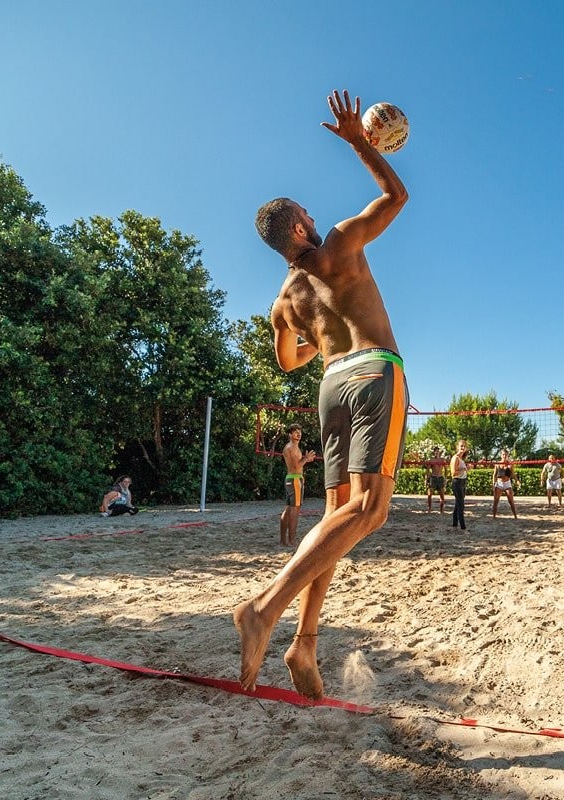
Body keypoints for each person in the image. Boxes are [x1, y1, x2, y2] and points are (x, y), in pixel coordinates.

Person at [234, 89, 409, 701]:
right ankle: (265, 607)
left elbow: (290, 361)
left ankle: (305, 641)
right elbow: (397, 197)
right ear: (302, 227)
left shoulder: (282, 302)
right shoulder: (336, 244)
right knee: (370, 512)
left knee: (338, 514)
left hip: (330, 385)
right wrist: (361, 144)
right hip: (371, 372)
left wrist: (315, 338)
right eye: (309, 210)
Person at [280, 424, 318, 547]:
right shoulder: (291, 448)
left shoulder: (293, 447)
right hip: (295, 479)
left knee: (288, 509)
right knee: (294, 511)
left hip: (292, 479)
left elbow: (298, 464)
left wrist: (306, 459)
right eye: (295, 432)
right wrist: (306, 459)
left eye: (299, 432)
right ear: (290, 434)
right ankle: (291, 541)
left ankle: (284, 541)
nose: (298, 434)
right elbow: (296, 466)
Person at [492, 449, 518, 519]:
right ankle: (494, 517)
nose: (504, 456)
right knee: (496, 501)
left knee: (511, 501)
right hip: (499, 483)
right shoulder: (498, 464)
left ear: (507, 456)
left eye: (506, 455)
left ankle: (515, 516)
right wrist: (493, 484)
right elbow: (494, 475)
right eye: (503, 454)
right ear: (501, 455)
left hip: (507, 483)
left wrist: (517, 481)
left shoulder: (510, 464)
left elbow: (513, 474)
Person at [449, 439, 469, 530]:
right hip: (457, 482)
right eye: (461, 446)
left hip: (462, 482)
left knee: (458, 504)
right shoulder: (455, 458)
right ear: (457, 447)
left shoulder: (461, 459)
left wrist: (467, 469)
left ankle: (454, 524)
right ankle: (463, 527)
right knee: (461, 505)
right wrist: (464, 469)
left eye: (464, 446)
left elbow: (462, 471)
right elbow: (453, 473)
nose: (463, 447)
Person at [424, 447, 447, 513]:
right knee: (429, 494)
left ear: (439, 452)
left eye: (438, 451)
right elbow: (428, 470)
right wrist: (426, 479)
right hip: (433, 477)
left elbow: (446, 470)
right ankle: (430, 509)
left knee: (442, 494)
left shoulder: (442, 460)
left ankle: (441, 510)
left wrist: (445, 479)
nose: (437, 452)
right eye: (435, 451)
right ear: (434, 452)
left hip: (440, 477)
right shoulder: (431, 460)